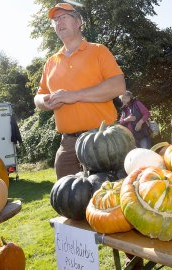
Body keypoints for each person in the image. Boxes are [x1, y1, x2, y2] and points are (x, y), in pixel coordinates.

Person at [34, 3, 126, 180]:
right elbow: (38, 96)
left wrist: (73, 96)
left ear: (78, 22)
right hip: (68, 143)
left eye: (63, 17)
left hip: (103, 139)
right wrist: (45, 100)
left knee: (109, 197)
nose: (58, 22)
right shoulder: (50, 62)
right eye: (55, 20)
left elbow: (118, 86)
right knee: (68, 199)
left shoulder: (98, 51)